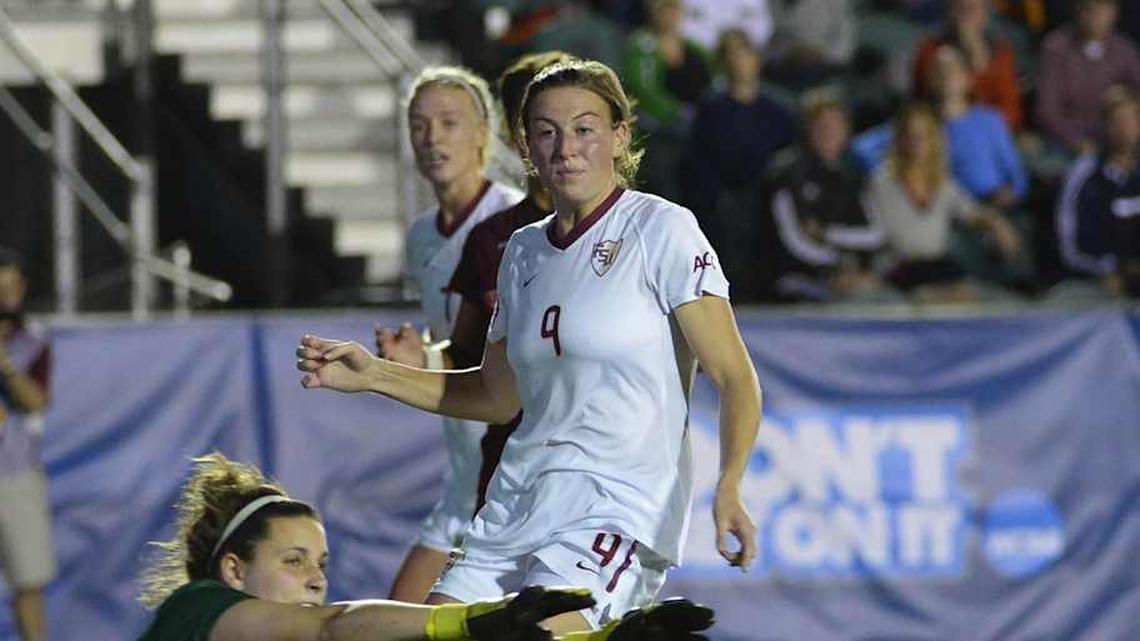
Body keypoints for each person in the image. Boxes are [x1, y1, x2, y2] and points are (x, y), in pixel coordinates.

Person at [297, 59, 762, 633]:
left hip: (614, 511)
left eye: (585, 128)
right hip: (514, 506)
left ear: (619, 136)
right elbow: (494, 396)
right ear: (526, 148)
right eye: (547, 132)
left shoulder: (661, 229)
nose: (566, 147)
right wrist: (374, 375)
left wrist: (731, 486)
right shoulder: (521, 251)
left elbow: (735, 376)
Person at [136, 452, 715, 641]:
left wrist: (602, 638)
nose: (316, 579)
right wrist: (470, 620)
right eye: (293, 561)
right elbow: (334, 625)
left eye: (321, 564)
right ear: (233, 570)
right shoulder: (193, 611)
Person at [378, 65, 525, 604]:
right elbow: (457, 346)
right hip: (464, 470)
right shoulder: (420, 236)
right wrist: (418, 356)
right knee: (401, 618)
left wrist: (429, 360)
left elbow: (517, 360)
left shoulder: (516, 224)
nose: (432, 137)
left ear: (484, 132)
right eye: (419, 124)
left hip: (514, 471)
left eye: (448, 122)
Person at [866, 103, 1022, 302]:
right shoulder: (882, 180)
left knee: (975, 295)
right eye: (911, 134)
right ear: (900, 139)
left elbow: (971, 211)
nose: (917, 141)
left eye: (924, 134)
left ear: (934, 140)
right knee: (937, 298)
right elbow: (882, 235)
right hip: (899, 266)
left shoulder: (943, 183)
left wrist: (996, 223)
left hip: (936, 266)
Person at [681, 28, 796, 295]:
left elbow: (789, 157)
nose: (738, 61)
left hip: (768, 196)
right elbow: (698, 163)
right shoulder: (711, 111)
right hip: (723, 201)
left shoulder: (777, 111)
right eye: (731, 54)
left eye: (744, 53)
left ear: (756, 59)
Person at [764, 92, 888, 302]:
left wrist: (826, 235)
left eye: (835, 125)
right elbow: (793, 241)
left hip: (851, 273)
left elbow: (874, 233)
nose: (829, 132)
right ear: (807, 128)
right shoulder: (786, 173)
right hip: (797, 278)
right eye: (821, 125)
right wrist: (837, 265)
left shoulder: (854, 175)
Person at [0, 247, 53, 641]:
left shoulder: (33, 341)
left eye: (13, 288)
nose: (8, 297)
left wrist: (2, 363)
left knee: (28, 580)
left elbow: (35, 400)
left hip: (14, 474)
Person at [1053, 85, 1140, 297]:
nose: (1124, 128)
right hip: (1096, 278)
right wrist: (1109, 268)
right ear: (1105, 126)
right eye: (1117, 121)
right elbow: (1069, 242)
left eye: (1130, 120)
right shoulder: (1085, 172)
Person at [1035, 0, 1140, 156]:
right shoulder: (1055, 49)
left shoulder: (1125, 51)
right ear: (1076, 9)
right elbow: (1047, 111)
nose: (1095, 13)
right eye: (1088, 6)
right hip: (1066, 144)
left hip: (1116, 139)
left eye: (1102, 7)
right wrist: (1076, 141)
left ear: (1115, 12)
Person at [913, 0, 1024, 130]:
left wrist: (978, 59)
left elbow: (1011, 113)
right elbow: (921, 101)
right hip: (938, 130)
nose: (966, 13)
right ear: (949, 11)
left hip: (988, 134)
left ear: (985, 14)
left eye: (973, 8)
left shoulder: (1001, 54)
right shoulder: (930, 49)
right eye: (960, 7)